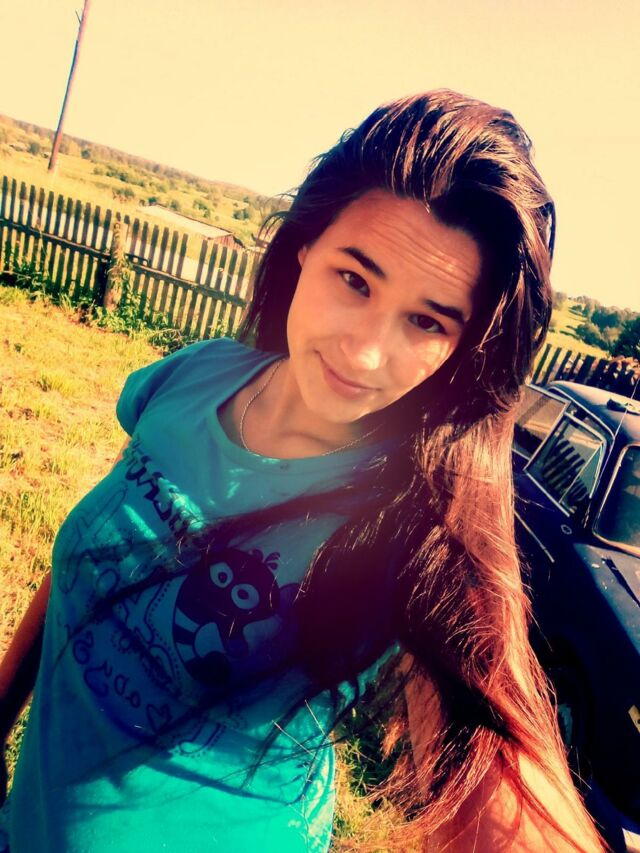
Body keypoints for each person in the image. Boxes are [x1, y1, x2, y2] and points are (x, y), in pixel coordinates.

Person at [0, 90, 605, 852]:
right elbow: (87, 573)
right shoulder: (196, 377)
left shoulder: (410, 522)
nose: (366, 353)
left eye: (426, 321)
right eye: (355, 279)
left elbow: (489, 759)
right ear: (305, 246)